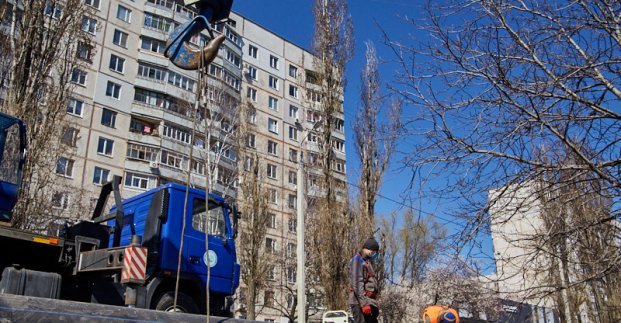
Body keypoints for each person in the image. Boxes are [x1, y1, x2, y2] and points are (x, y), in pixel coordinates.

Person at [348, 237, 380, 323]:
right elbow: (357, 284)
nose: (375, 254)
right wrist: (364, 304)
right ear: (370, 250)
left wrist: (374, 304)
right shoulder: (357, 260)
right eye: (375, 252)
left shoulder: (366, 262)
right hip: (359, 303)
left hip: (368, 302)